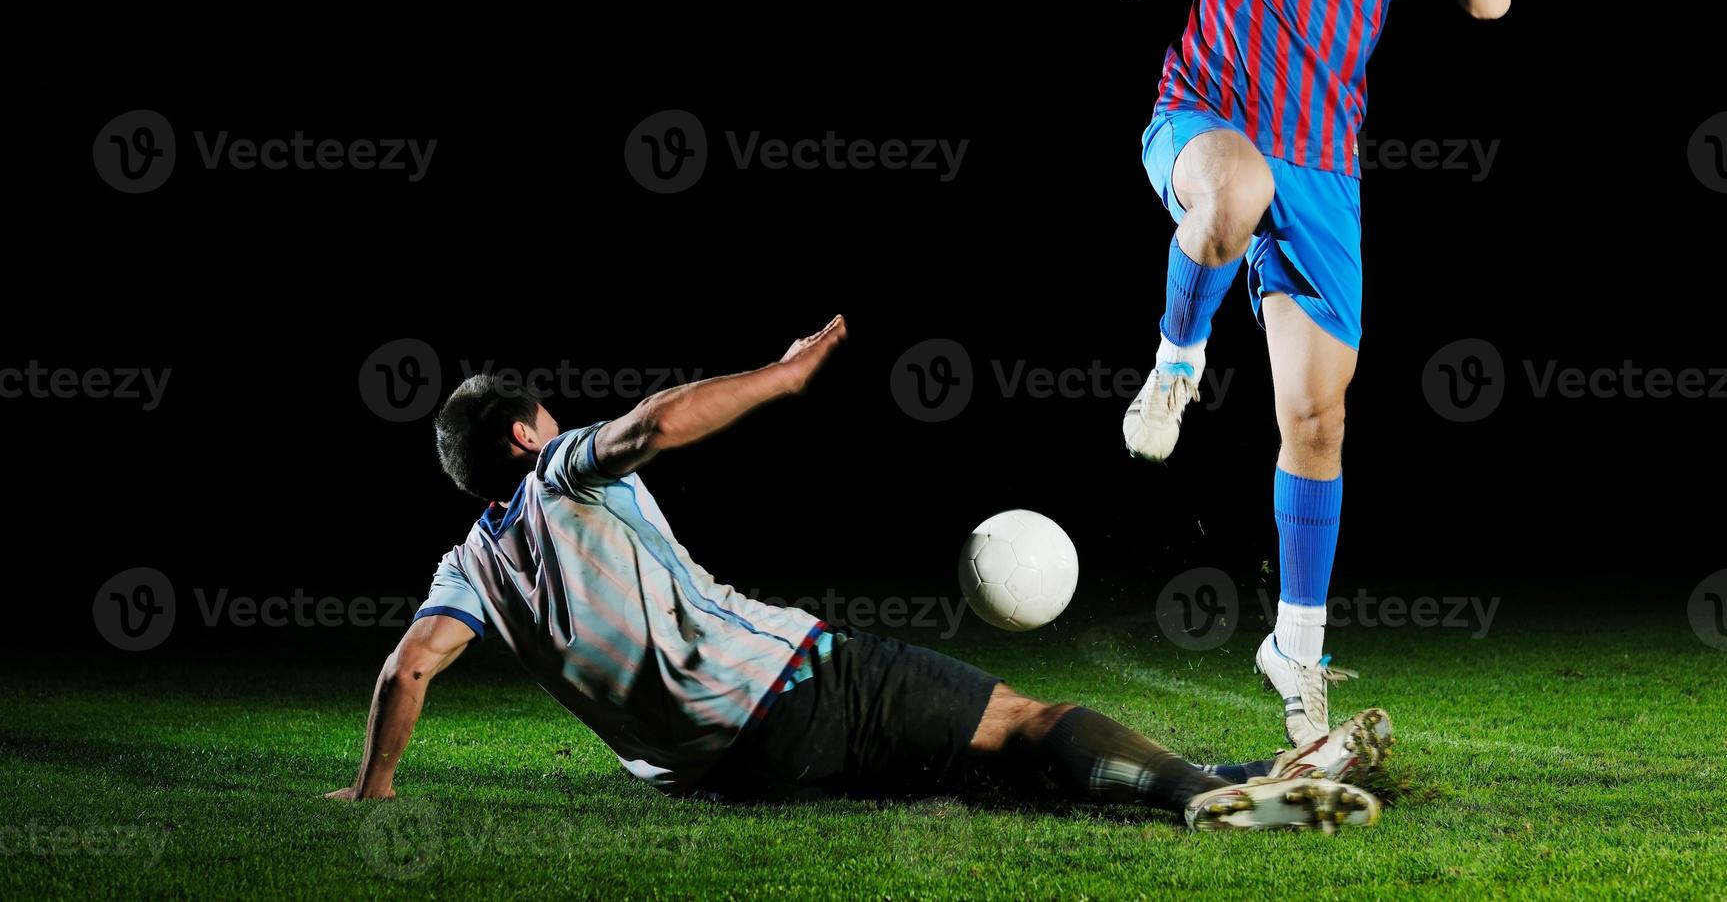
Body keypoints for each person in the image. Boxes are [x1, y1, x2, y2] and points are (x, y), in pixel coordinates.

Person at [325, 316, 1392, 831]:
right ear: (521, 436)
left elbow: (407, 670)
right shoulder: (559, 473)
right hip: (790, 685)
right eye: (545, 415)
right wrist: (783, 379)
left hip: (712, 770)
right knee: (1022, 716)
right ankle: (1215, 794)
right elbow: (650, 422)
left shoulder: (469, 562)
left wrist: (374, 786)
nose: (560, 423)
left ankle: (1256, 764)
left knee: (972, 762)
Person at [1050, 0, 1510, 744]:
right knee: (1236, 190)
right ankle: (1174, 367)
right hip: (1204, 119)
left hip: (1323, 166)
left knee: (1316, 419)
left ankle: (1295, 652)